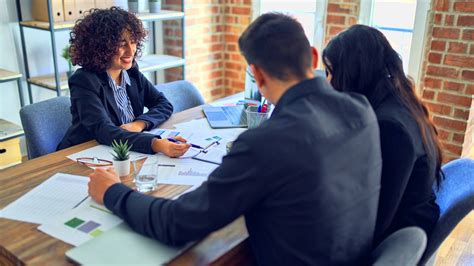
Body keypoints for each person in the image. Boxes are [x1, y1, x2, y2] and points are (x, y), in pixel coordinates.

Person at [88, 13, 382, 265]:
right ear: (314, 56)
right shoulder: (362, 110)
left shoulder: (266, 143)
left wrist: (112, 192)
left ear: (256, 74)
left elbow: (177, 224)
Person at [322, 24, 444, 245]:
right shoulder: (398, 101)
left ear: (353, 73)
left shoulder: (390, 127)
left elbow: (374, 220)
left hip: (394, 243)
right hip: (406, 224)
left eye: (330, 72)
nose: (328, 82)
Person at [57, 7, 190, 157]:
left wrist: (139, 124)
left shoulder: (131, 72)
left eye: (133, 41)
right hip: (84, 154)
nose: (130, 50)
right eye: (121, 43)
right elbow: (104, 131)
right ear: (101, 46)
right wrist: (155, 143)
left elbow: (164, 104)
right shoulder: (84, 81)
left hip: (122, 151)